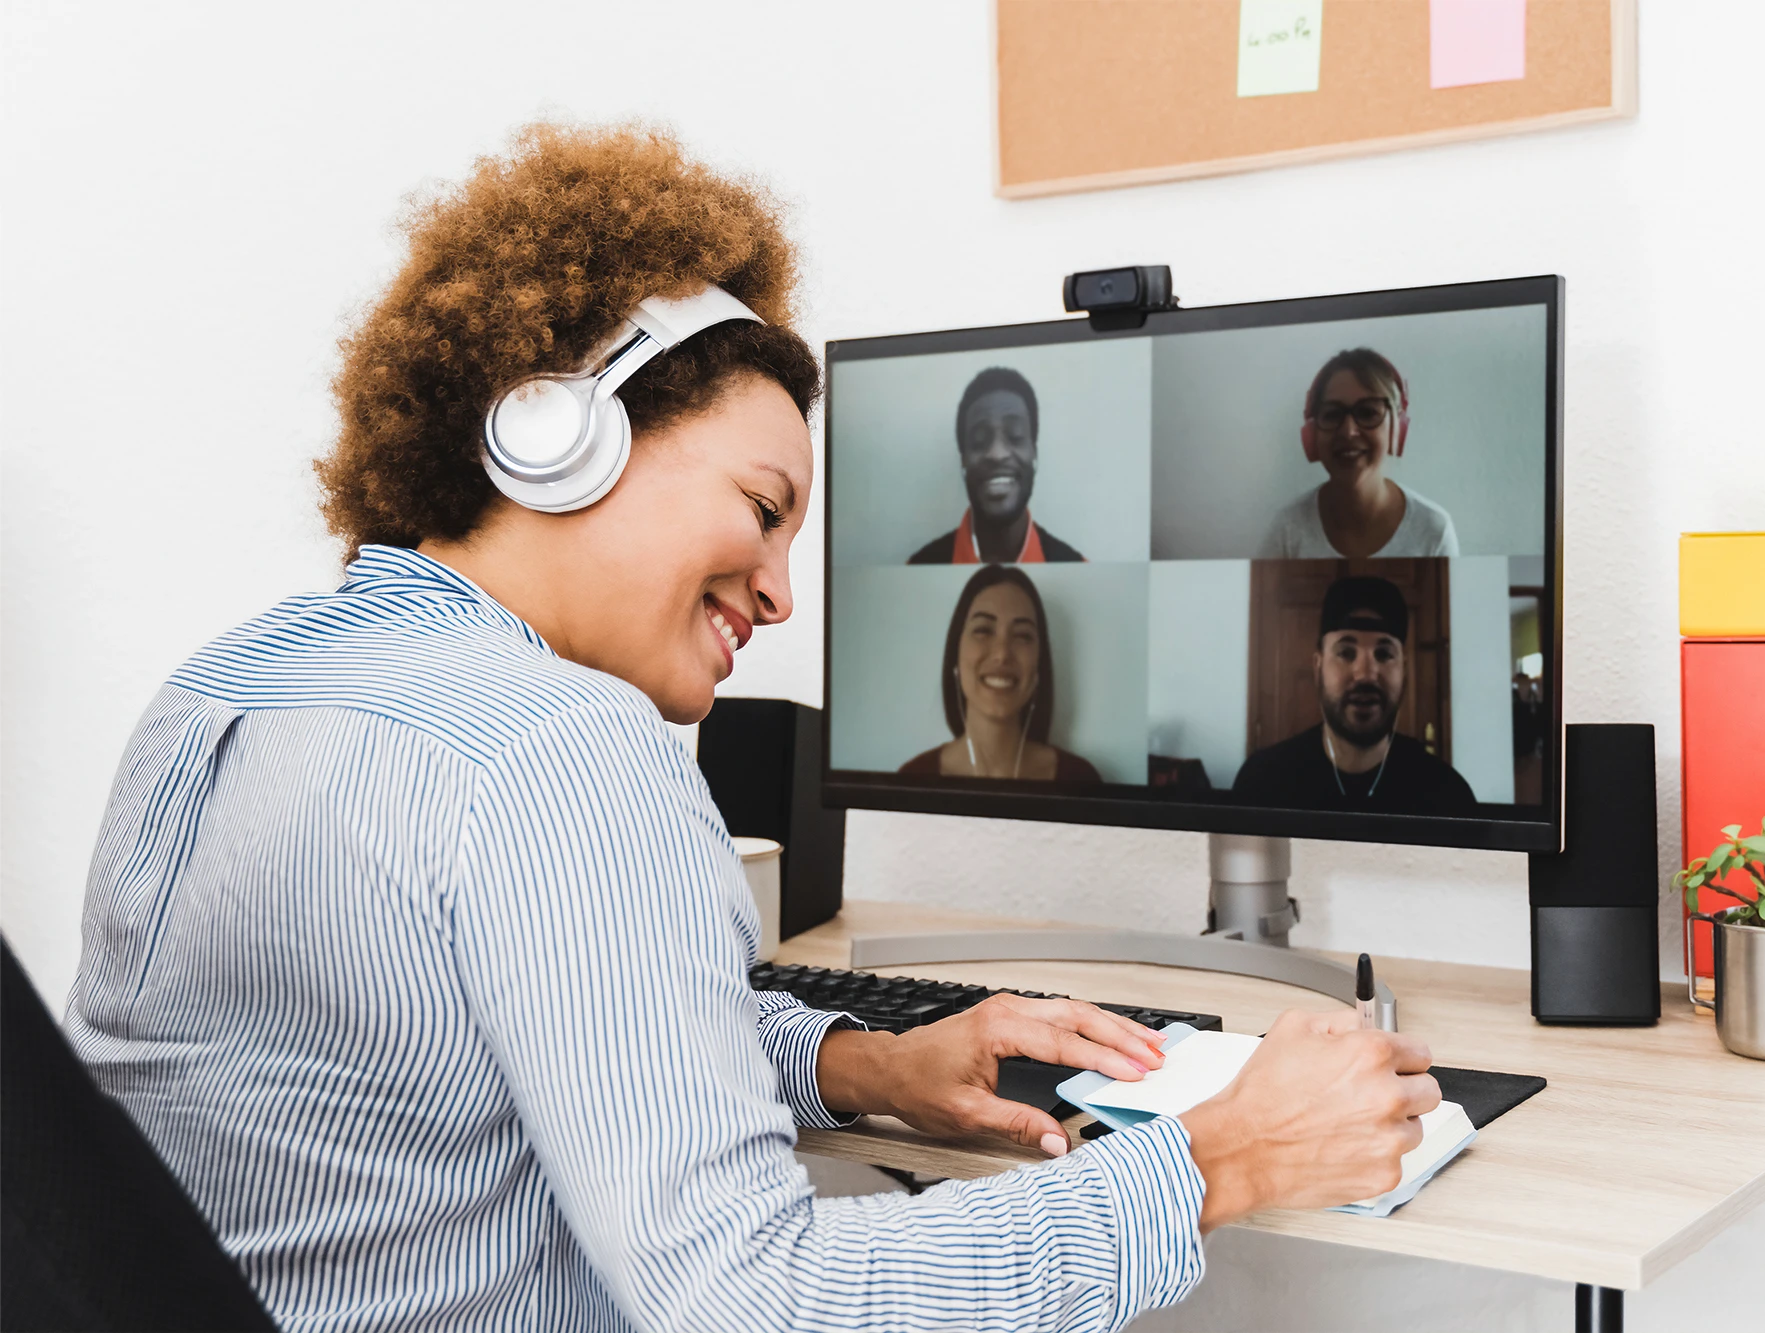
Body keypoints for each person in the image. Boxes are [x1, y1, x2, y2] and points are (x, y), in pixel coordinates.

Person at [62, 123, 1437, 1333]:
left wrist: (856, 1061)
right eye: (766, 508)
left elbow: (480, 1050)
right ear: (560, 435)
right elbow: (761, 1303)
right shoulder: (561, 750)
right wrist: (1225, 1160)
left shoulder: (224, 687)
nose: (782, 592)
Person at [1233, 577, 1478, 814]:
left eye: (1383, 654)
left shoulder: (1447, 796)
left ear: (1404, 669)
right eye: (1346, 653)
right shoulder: (1263, 783)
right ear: (1318, 667)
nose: (1365, 675)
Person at [899, 566, 1101, 782]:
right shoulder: (913, 777)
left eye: (1023, 636)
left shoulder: (1080, 779)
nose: (1002, 653)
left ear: (1039, 664)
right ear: (955, 653)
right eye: (983, 630)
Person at [1258, 347, 1460, 558]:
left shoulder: (1433, 531)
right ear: (1312, 434)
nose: (1348, 431)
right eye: (1332, 414)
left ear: (1396, 429)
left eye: (1368, 412)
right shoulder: (1287, 530)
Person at [908, 367, 1085, 563]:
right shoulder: (916, 568)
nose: (997, 454)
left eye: (1015, 436)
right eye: (979, 440)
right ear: (963, 459)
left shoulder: (1079, 567)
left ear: (1034, 451)